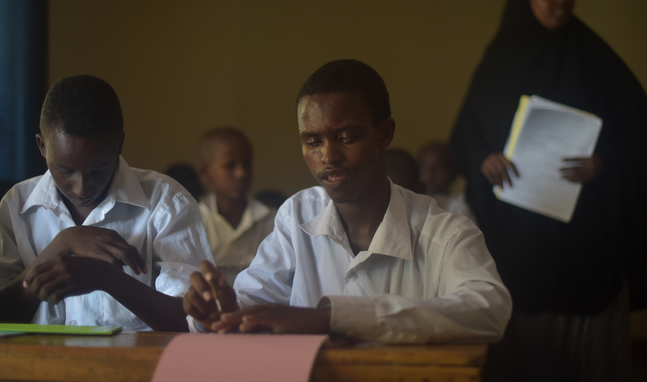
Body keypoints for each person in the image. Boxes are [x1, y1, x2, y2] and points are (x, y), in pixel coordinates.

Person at [183, 59, 512, 344]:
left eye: (346, 137)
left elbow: (490, 309)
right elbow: (251, 300)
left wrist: (333, 318)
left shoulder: (445, 233)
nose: (328, 156)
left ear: (384, 133)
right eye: (312, 141)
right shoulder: (297, 217)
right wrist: (225, 311)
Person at [449, 0, 647, 380]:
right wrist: (483, 160)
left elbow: (643, 149)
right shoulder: (499, 62)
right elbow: (462, 142)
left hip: (586, 246)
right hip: (516, 246)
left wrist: (604, 164)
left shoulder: (598, 60)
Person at [0, 75, 214, 331]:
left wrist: (109, 279)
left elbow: (194, 322)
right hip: (34, 358)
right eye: (66, 170)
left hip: (136, 358)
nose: (81, 188)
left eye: (98, 169)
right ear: (42, 146)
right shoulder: (15, 205)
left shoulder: (166, 202)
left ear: (119, 144)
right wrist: (61, 244)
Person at [197, 128, 276, 282]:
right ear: (205, 172)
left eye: (246, 164)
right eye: (230, 165)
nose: (241, 173)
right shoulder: (194, 221)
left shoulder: (274, 221)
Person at [417, 141, 476, 223]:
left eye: (438, 169)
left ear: (453, 172)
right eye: (423, 169)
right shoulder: (416, 203)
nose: (430, 176)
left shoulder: (459, 207)